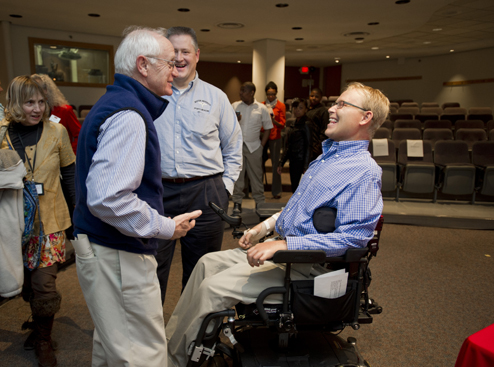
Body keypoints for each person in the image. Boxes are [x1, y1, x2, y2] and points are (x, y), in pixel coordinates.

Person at [165, 82, 390, 367]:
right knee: (206, 264)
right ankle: (177, 345)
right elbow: (298, 208)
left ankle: (174, 360)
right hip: (287, 254)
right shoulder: (327, 158)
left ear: (365, 117)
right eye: (336, 103)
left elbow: (353, 239)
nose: (332, 108)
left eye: (343, 105)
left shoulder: (363, 172)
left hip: (309, 268)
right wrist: (266, 228)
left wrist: (284, 244)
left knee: (213, 289)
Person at [73, 26, 202, 367]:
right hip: (118, 254)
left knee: (115, 348)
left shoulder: (116, 103)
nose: (177, 70)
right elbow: (108, 198)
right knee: (142, 353)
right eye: (169, 63)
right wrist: (163, 227)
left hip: (107, 249)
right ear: (143, 65)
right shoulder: (130, 115)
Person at [0, 75, 77, 367]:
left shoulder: (56, 132)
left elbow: (70, 177)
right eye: (29, 102)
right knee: (24, 283)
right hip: (10, 223)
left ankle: (44, 340)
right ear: (14, 103)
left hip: (49, 222)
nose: (37, 108)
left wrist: (75, 222)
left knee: (45, 285)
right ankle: (37, 323)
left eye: (41, 101)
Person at [154, 26, 243, 303]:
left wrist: (224, 188)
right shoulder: (150, 94)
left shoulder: (216, 97)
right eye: (173, 52)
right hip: (157, 194)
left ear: (197, 55)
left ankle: (190, 337)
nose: (179, 58)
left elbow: (233, 147)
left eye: (185, 52)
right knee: (151, 269)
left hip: (206, 194)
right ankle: (150, 340)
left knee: (201, 271)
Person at [231, 82, 274, 215]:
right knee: (238, 177)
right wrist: (235, 121)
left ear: (251, 92)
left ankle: (260, 203)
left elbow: (268, 128)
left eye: (243, 90)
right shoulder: (234, 106)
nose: (240, 93)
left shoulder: (261, 108)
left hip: (255, 147)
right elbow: (226, 126)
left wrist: (261, 146)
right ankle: (237, 203)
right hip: (237, 147)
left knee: (256, 177)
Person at [30, 74, 81, 154]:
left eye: (38, 88)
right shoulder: (30, 112)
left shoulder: (65, 110)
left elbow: (80, 134)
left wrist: (70, 153)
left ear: (46, 90)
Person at [278, 98, 311, 192]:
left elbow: (309, 146)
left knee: (300, 189)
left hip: (301, 161)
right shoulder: (294, 123)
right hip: (293, 160)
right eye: (295, 107)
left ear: (306, 110)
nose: (297, 110)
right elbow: (289, 146)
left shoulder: (307, 124)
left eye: (300, 108)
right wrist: (281, 162)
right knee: (294, 187)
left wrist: (306, 166)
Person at [262, 81, 286, 199]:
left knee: (276, 164)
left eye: (273, 94)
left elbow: (282, 125)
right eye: (268, 94)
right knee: (259, 163)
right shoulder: (261, 105)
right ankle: (259, 190)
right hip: (262, 135)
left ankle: (276, 191)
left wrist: (273, 120)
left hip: (275, 136)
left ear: (276, 93)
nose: (270, 96)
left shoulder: (281, 106)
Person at [306, 87, 329, 162]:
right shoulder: (307, 109)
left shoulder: (323, 111)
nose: (314, 98)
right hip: (306, 144)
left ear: (321, 98)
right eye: (312, 96)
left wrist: (318, 147)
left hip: (315, 147)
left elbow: (324, 130)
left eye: (316, 96)